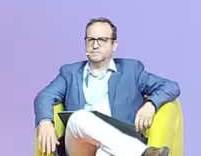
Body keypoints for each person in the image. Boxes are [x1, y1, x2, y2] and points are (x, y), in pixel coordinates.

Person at [34, 18, 179, 156]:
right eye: (91, 40)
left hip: (119, 144)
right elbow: (45, 96)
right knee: (78, 117)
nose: (95, 45)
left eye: (102, 40)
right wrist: (45, 121)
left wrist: (151, 104)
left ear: (114, 45)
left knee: (104, 153)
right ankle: (143, 153)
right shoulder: (69, 73)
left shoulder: (132, 70)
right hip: (80, 146)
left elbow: (170, 86)